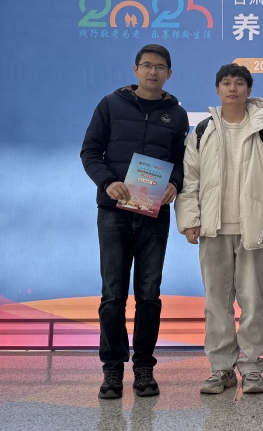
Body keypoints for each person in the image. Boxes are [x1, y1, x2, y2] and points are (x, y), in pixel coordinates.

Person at [176, 63, 263, 396]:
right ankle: (221, 369)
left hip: (255, 229)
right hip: (213, 229)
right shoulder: (202, 131)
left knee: (253, 301)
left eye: (239, 83)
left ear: (249, 90)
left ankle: (253, 367)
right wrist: (190, 218)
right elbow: (190, 179)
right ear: (217, 90)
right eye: (226, 83)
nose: (233, 88)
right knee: (216, 303)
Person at [81, 44, 189, 400]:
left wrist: (175, 184)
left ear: (169, 73)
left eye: (160, 67)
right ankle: (112, 371)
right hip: (114, 211)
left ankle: (144, 368)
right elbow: (90, 151)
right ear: (135, 69)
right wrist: (106, 182)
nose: (152, 71)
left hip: (153, 213)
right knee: (113, 295)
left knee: (149, 294)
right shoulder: (110, 105)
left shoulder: (177, 114)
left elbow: (182, 161)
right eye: (146, 65)